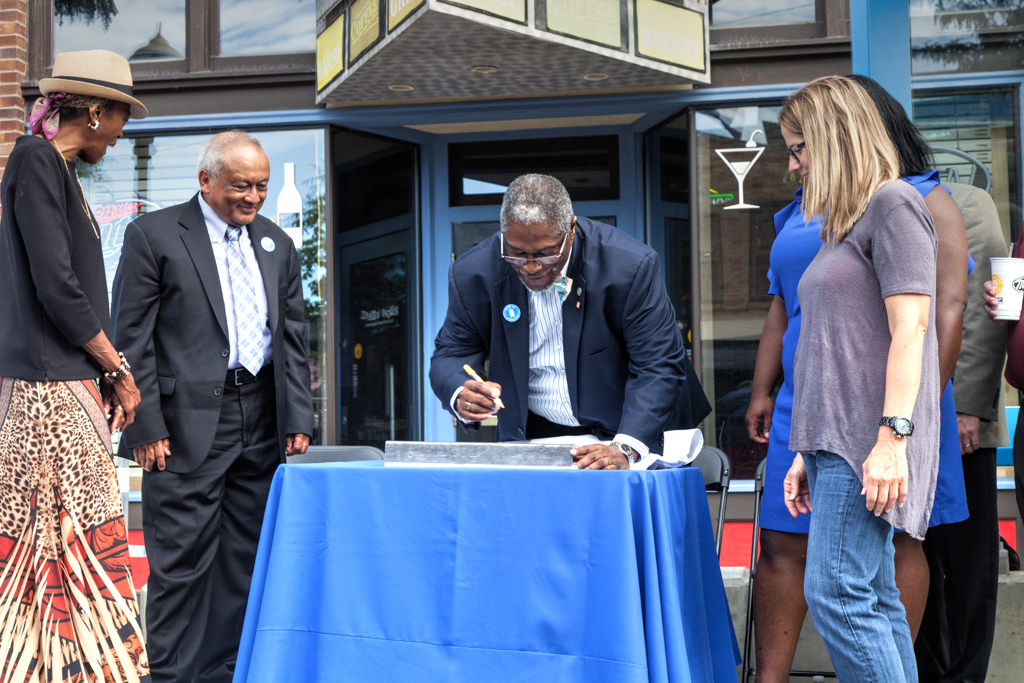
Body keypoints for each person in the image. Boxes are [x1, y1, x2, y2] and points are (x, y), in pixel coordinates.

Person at [744, 76, 970, 682]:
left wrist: (894, 441)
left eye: (799, 148)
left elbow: (914, 327)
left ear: (836, 138)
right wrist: (805, 452)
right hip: (832, 441)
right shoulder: (844, 217)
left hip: (868, 440)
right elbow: (832, 345)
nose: (792, 164)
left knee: (838, 593)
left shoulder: (894, 203)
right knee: (869, 594)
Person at [110, 131, 314, 683]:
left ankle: (224, 671)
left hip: (261, 420)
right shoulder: (153, 235)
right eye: (241, 186)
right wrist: (144, 423)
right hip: (182, 427)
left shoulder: (277, 243)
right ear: (206, 180)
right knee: (180, 564)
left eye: (262, 187)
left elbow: (291, 337)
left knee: (242, 559)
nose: (253, 197)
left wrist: (298, 418)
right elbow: (131, 340)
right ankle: (172, 675)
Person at [0, 49, 150, 681]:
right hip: (45, 393)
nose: (121, 134)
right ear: (92, 110)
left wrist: (102, 374)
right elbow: (58, 287)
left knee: (67, 541)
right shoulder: (36, 160)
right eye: (119, 117)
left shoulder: (54, 171)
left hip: (59, 384)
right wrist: (117, 369)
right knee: (67, 538)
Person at [430, 173, 710, 469]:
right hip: (536, 436)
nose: (532, 267)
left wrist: (626, 448)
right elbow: (451, 354)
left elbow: (659, 365)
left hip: (630, 434)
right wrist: (461, 392)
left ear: (571, 230)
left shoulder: (628, 267)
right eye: (517, 254)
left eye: (546, 254)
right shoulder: (473, 273)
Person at [916, 183, 1007, 683]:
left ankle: (968, 677)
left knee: (969, 569)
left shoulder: (966, 202)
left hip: (958, 421)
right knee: (914, 558)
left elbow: (989, 311)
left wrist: (968, 405)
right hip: (901, 424)